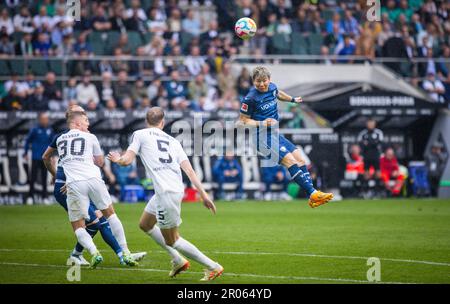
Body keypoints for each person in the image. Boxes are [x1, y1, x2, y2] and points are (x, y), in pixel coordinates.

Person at [108, 107, 224, 281]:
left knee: (172, 240)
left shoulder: (140, 134)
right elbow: (190, 171)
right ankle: (178, 260)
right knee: (145, 224)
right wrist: (204, 195)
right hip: (170, 190)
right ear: (162, 122)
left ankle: (213, 266)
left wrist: (118, 159)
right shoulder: (173, 141)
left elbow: (127, 160)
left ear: (147, 122)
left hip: (166, 193)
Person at [42, 105, 146, 266]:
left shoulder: (60, 139)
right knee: (104, 219)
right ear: (75, 120)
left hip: (75, 184)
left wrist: (57, 176)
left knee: (93, 224)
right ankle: (123, 254)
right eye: (84, 117)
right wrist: (59, 178)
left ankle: (85, 254)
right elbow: (99, 162)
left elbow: (46, 158)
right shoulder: (88, 137)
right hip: (75, 185)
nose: (88, 121)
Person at [238, 66, 333, 208]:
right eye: (258, 81)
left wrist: (292, 99)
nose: (262, 84)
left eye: (264, 81)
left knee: (300, 158)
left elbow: (278, 93)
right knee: (289, 160)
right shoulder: (250, 98)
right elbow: (243, 121)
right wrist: (261, 123)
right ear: (253, 81)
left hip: (275, 134)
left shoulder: (272, 87)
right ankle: (313, 194)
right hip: (261, 138)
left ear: (269, 80)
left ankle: (312, 196)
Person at [23, 112, 54, 205]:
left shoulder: (50, 130)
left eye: (47, 119)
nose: (45, 121)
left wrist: (52, 155)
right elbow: (27, 141)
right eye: (44, 119)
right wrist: (25, 152)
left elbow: (53, 143)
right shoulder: (35, 130)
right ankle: (30, 197)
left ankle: (44, 197)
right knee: (33, 177)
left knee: (44, 178)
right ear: (40, 120)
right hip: (35, 156)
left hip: (45, 158)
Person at [357, 118, 384, 193]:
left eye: (372, 123)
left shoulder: (378, 132)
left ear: (375, 124)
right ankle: (366, 191)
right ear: (366, 124)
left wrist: (368, 143)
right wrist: (372, 143)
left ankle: (377, 190)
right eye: (369, 123)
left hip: (376, 156)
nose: (370, 125)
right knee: (366, 173)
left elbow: (378, 143)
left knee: (378, 173)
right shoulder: (363, 133)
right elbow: (361, 144)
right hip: (366, 156)